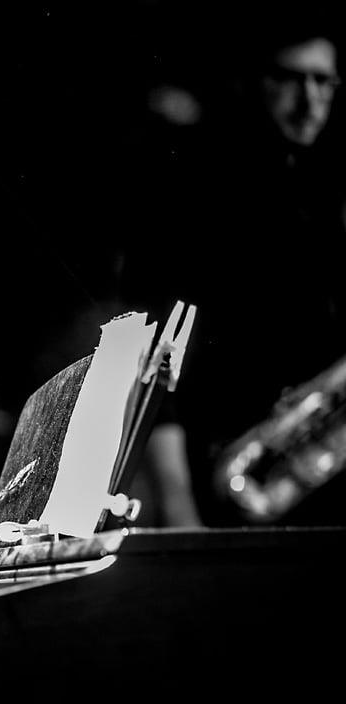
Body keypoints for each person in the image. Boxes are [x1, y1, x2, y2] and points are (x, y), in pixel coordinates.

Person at [128, 13, 346, 527]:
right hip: (225, 476)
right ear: (252, 82)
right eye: (289, 78)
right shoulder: (192, 191)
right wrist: (179, 510)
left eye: (323, 81)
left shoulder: (328, 195)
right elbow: (153, 355)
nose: (309, 100)